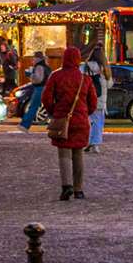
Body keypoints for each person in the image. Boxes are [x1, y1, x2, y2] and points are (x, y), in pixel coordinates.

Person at [41, 47, 96, 201]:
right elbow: (93, 102)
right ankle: (79, 189)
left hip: (62, 120)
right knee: (78, 154)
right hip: (81, 121)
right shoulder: (85, 78)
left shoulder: (56, 76)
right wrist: (85, 113)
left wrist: (54, 111)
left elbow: (46, 98)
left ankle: (66, 186)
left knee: (63, 153)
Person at [18, 50, 50, 130]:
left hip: (40, 88)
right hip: (47, 88)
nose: (32, 60)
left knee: (33, 107)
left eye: (34, 58)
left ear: (37, 58)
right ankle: (55, 124)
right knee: (49, 107)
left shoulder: (39, 66)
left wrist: (30, 75)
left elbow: (38, 79)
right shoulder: (46, 66)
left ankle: (24, 125)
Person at [84, 52, 108, 154]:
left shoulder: (84, 66)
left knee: (88, 122)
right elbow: (109, 84)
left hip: (87, 99)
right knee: (98, 123)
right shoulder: (104, 68)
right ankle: (95, 144)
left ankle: (88, 141)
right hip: (100, 100)